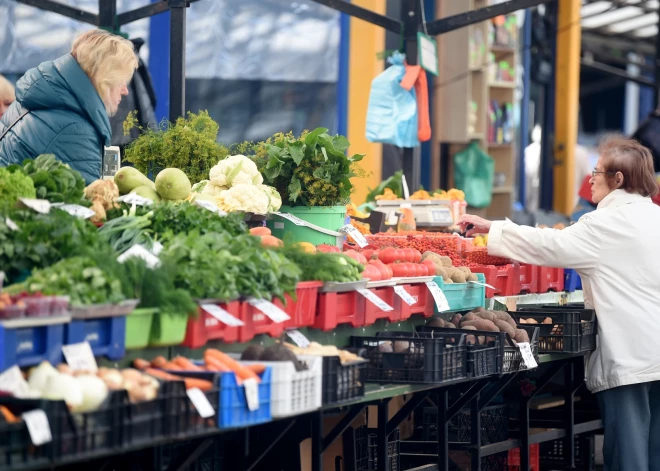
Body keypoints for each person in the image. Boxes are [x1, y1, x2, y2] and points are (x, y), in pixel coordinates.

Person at [459, 135, 660, 471]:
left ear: (618, 179)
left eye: (597, 172)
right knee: (654, 451)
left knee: (629, 455)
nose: (590, 179)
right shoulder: (655, 217)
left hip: (630, 358)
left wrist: (493, 228)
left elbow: (550, 244)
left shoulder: (604, 225)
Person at [0, 29, 137, 184]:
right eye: (121, 82)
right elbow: (87, 203)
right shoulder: (76, 131)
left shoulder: (31, 100)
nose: (125, 91)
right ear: (104, 80)